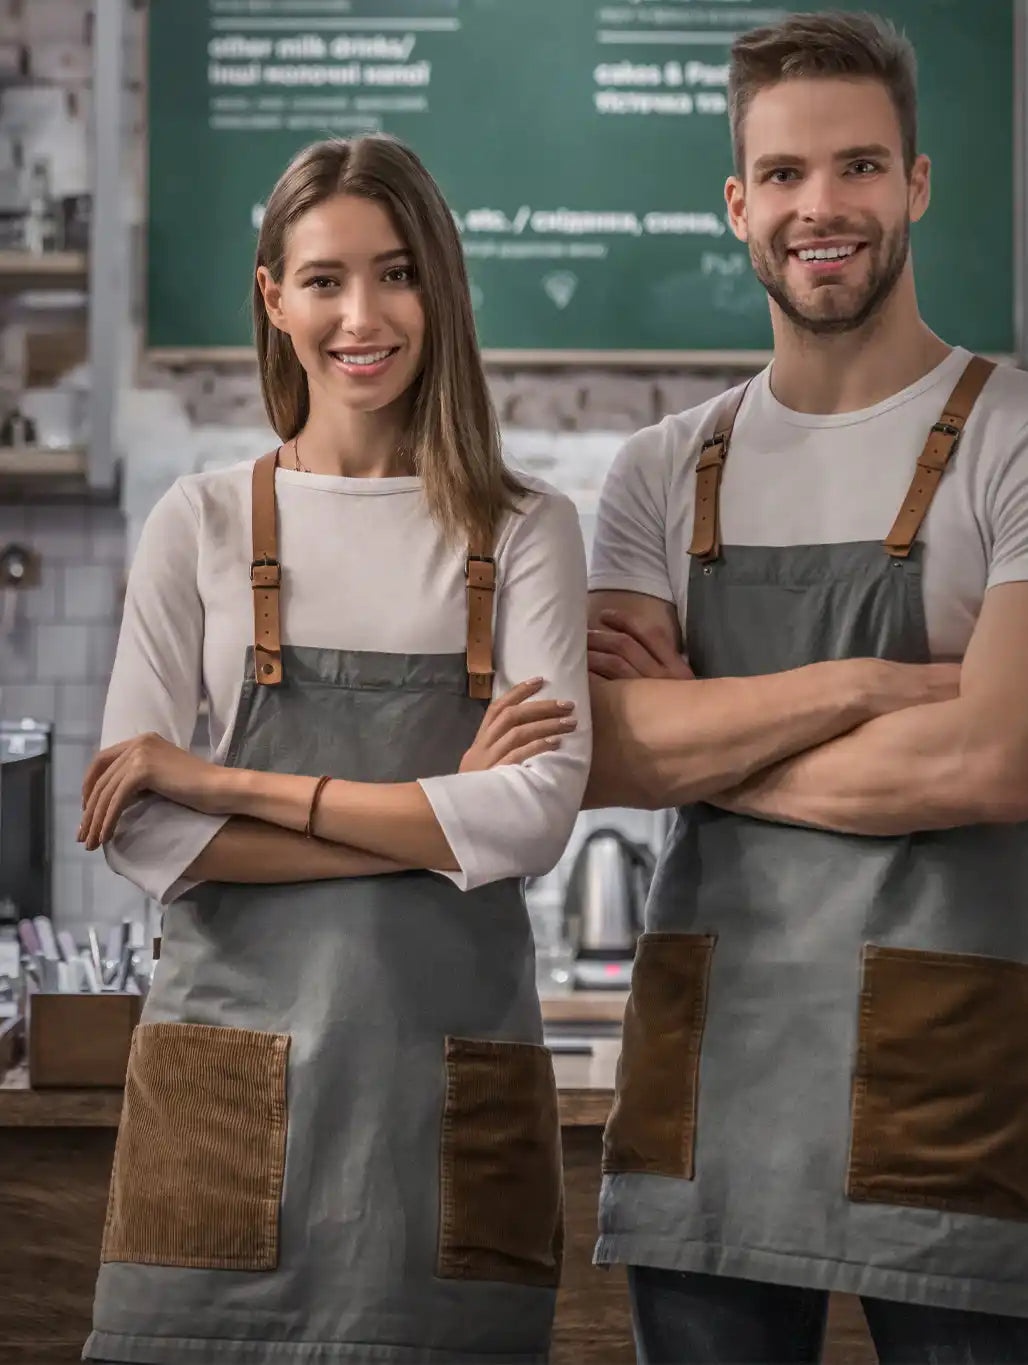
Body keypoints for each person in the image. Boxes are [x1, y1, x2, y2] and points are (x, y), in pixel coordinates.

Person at [77, 133, 591, 1364]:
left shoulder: (523, 531)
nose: (362, 315)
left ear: (442, 290)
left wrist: (226, 784)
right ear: (273, 297)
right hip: (218, 1111)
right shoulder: (197, 523)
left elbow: (533, 818)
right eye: (324, 279)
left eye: (398, 273)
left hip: (440, 1115)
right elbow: (139, 828)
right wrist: (430, 824)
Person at [584, 11, 1028, 1364]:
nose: (818, 206)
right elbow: (607, 758)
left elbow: (995, 765)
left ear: (916, 182)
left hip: (956, 1088)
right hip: (707, 1084)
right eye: (782, 175)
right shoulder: (662, 468)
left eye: (856, 166)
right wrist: (882, 688)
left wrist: (711, 743)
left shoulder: (1010, 433)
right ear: (737, 203)